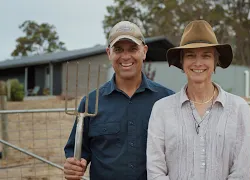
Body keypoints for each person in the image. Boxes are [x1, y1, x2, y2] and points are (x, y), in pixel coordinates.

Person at [63, 21, 174, 180]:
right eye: (118, 49)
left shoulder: (166, 99)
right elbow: (78, 152)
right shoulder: (91, 103)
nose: (126, 56)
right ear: (109, 53)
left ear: (144, 51)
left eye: (133, 49)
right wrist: (72, 166)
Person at [146, 20, 250, 180]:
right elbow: (156, 172)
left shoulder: (238, 108)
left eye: (206, 55)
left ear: (216, 61)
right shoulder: (161, 110)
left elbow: (241, 172)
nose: (198, 63)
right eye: (190, 55)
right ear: (181, 61)